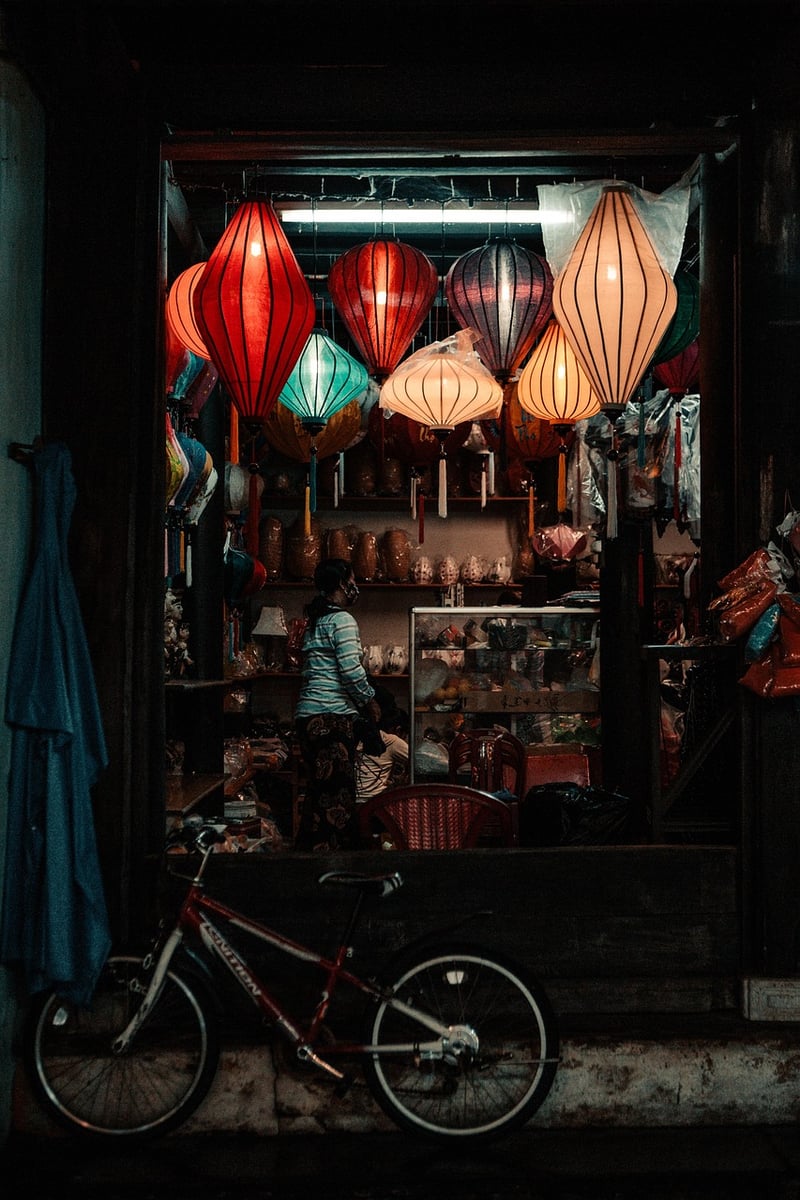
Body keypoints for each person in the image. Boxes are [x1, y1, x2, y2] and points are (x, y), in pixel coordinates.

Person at [294, 558, 380, 852]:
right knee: (338, 801)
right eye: (353, 580)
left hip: (308, 719)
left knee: (319, 797)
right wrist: (369, 701)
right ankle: (337, 867)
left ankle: (307, 861)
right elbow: (351, 670)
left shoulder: (317, 620)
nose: (356, 586)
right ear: (342, 584)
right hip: (331, 720)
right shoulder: (342, 620)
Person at [355, 701, 410, 803]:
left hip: (352, 801)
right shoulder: (391, 740)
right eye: (405, 736)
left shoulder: (357, 735)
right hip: (375, 803)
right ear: (398, 730)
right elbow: (418, 763)